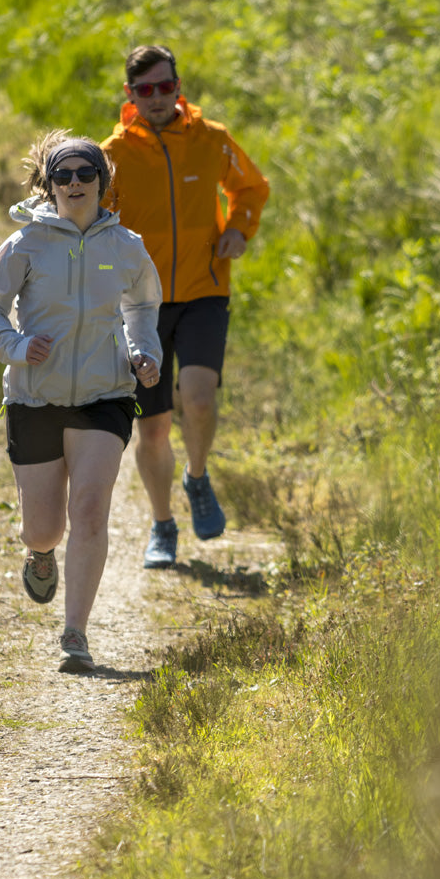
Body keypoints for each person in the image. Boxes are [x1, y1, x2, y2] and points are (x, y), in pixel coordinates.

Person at [0, 131, 162, 672]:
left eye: (86, 173)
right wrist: (16, 347)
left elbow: (143, 306)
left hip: (106, 395)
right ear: (48, 184)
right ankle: (39, 552)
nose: (75, 183)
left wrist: (144, 353)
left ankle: (75, 631)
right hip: (35, 396)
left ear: (103, 181)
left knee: (91, 509)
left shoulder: (126, 246)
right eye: (63, 175)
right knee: (45, 526)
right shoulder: (25, 244)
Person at [101, 45, 270, 569]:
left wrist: (239, 229)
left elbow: (251, 187)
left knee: (198, 400)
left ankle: (197, 478)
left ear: (179, 86)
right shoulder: (114, 153)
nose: (156, 97)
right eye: (145, 89)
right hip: (141, 305)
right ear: (130, 95)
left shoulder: (212, 140)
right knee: (152, 429)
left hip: (204, 289)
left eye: (164, 86)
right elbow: (95, 219)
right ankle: (162, 525)